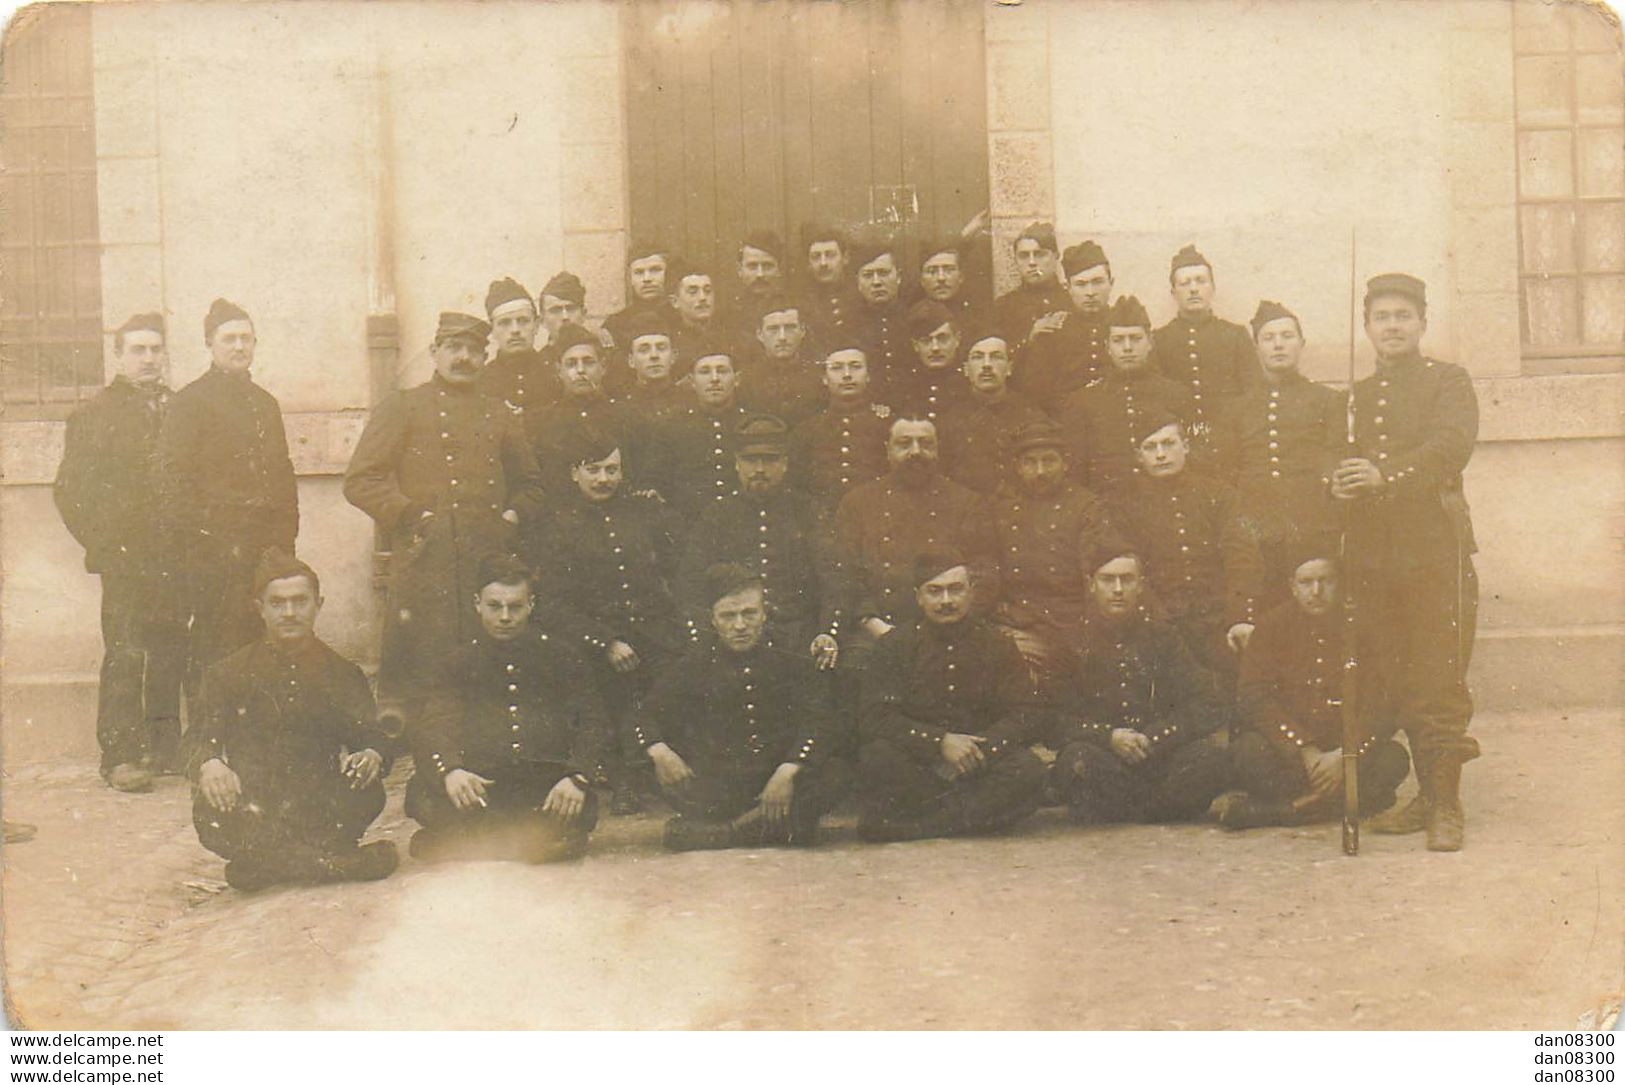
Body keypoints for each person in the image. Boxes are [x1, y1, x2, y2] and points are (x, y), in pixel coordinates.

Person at [1334, 272, 1479, 852]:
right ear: (1367, 327)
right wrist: (1340, 482)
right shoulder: (1356, 398)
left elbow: (1451, 446)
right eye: (1381, 318)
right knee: (1390, 674)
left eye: (1403, 316)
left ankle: (1446, 805)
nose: (1392, 326)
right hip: (1375, 556)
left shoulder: (1450, 381)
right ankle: (1422, 797)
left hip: (1434, 552)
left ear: (1422, 323)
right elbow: (1335, 461)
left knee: (1437, 676)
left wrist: (1384, 476)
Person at [342, 312, 545, 726]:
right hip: (424, 559)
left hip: (485, 559)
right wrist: (413, 515)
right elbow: (361, 479)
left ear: (484, 356)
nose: (463, 358)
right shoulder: (403, 406)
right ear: (435, 352)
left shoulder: (499, 413)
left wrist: (509, 518)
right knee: (419, 663)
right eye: (454, 348)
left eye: (473, 350)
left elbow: (532, 485)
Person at [190, 549, 398, 891]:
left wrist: (372, 755)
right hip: (256, 804)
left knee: (368, 791)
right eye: (277, 603)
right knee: (210, 813)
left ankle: (265, 868)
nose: (289, 612)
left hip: (318, 801)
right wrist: (210, 763)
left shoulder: (343, 674)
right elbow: (197, 738)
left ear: (319, 604)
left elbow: (374, 735)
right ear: (260, 608)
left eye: (300, 601)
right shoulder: (228, 673)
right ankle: (333, 863)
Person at [54, 313, 186, 790]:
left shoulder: (181, 408)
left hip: (176, 554)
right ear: (118, 355)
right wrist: (107, 545)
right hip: (127, 558)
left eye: (155, 349)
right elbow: (70, 492)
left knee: (172, 647)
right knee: (127, 652)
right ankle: (121, 756)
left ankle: (167, 748)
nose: (148, 359)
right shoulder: (95, 414)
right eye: (138, 350)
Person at [406, 555, 609, 863]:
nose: (504, 617)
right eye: (494, 606)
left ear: (531, 605)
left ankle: (467, 844)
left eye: (515, 606)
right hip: (480, 786)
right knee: (424, 797)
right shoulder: (457, 662)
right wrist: (450, 770)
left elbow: (594, 721)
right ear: (477, 603)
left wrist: (578, 777)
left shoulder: (562, 657)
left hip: (540, 785)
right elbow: (435, 722)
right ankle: (531, 843)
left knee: (576, 807)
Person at [634, 565, 849, 850]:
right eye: (728, 616)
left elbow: (821, 719)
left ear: (764, 614)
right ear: (712, 620)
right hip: (720, 783)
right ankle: (767, 827)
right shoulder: (693, 664)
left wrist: (790, 768)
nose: (740, 626)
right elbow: (643, 715)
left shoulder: (791, 657)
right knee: (653, 768)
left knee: (838, 772)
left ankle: (721, 834)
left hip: (778, 777)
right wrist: (659, 750)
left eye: (749, 613)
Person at [531, 431, 685, 813]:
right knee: (608, 688)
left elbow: (675, 573)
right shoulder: (560, 527)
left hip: (653, 631)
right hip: (594, 640)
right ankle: (622, 778)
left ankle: (664, 772)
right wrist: (605, 641)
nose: (603, 480)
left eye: (612, 470)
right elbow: (552, 603)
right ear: (574, 473)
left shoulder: (645, 514)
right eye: (593, 470)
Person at [855, 554, 1048, 842]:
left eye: (956, 589)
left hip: (980, 765)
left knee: (1029, 770)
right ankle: (972, 819)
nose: (946, 600)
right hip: (921, 766)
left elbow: (1026, 713)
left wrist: (976, 752)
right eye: (935, 591)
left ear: (971, 592)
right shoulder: (895, 646)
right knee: (877, 757)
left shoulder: (997, 642)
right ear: (918, 597)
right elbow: (874, 716)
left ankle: (919, 827)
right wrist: (939, 743)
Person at [158, 298, 298, 690]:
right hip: (212, 554)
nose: (239, 347)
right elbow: (173, 482)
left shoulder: (265, 405)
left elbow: (283, 478)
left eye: (246, 339)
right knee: (213, 646)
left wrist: (284, 544)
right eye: (229, 339)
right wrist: (206, 541)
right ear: (210, 344)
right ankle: (208, 744)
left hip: (264, 551)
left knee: (263, 644)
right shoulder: (190, 402)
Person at [1215, 552, 1411, 829]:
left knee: (1394, 759)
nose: (1316, 591)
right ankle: (1343, 804)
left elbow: (1384, 701)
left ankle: (1283, 811)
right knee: (1247, 752)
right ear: (1292, 586)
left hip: (1344, 753)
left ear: (1339, 583)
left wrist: (1345, 754)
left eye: (1326, 581)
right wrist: (1304, 750)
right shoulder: (1272, 626)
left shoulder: (1362, 626)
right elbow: (1252, 696)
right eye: (1306, 582)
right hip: (1291, 756)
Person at [1047, 547, 1231, 824]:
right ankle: (1161, 809)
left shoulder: (1163, 636)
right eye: (1108, 580)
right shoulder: (1070, 641)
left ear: (1141, 586)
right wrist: (1109, 737)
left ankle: (1126, 809)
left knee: (1211, 757)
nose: (1118, 589)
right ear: (1092, 584)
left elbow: (1208, 703)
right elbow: (1052, 718)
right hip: (1103, 757)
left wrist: (1155, 737)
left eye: (1127, 579)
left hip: (1157, 756)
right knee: (1077, 762)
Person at [1111, 411, 1264, 689]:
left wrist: (1240, 617)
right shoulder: (1124, 505)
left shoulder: (1220, 495)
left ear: (1186, 447)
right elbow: (1128, 569)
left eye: (1168, 444)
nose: (1160, 454)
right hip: (1157, 626)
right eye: (1150, 447)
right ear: (1139, 456)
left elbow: (1242, 558)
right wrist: (1155, 622)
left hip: (1217, 622)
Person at [677, 415, 842, 666]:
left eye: (770, 460)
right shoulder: (718, 514)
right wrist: (705, 637)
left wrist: (827, 631)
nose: (760, 469)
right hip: (734, 639)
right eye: (751, 460)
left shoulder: (806, 511)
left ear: (785, 464)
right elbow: (691, 582)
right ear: (737, 464)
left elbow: (834, 578)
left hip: (798, 638)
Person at [1212, 300, 1344, 603]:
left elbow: (1334, 457)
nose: (1278, 345)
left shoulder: (1327, 401)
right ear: (1257, 347)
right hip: (1255, 529)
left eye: (1287, 336)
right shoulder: (1237, 409)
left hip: (1311, 526)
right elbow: (1225, 472)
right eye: (1269, 338)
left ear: (1302, 343)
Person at [831, 416, 994, 659]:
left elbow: (985, 572)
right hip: (879, 630)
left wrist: (954, 624)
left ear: (937, 451)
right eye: (904, 443)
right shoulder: (857, 503)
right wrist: (876, 626)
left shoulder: (967, 503)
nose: (915, 452)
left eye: (925, 444)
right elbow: (844, 574)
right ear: (888, 450)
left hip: (950, 629)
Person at [990, 418, 1122, 682]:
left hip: (1071, 627)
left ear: (1065, 463)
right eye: (1030, 462)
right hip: (1016, 625)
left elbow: (1093, 578)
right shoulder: (1000, 509)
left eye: (1048, 460)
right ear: (1017, 467)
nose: (1040, 471)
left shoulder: (1087, 508)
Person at [1056, 295, 1195, 495]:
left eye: (1136, 338)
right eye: (1118, 340)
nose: (1128, 347)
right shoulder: (1083, 401)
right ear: (1107, 347)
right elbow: (1077, 471)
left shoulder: (1177, 394)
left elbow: (1196, 457)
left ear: (1150, 342)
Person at [1149, 244, 1257, 435]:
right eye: (1185, 283)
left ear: (1213, 288)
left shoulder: (1235, 335)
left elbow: (1252, 394)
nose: (1193, 289)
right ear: (1173, 293)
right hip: (1180, 439)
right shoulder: (1159, 339)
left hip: (1230, 437)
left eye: (1201, 281)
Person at [788, 345, 893, 521]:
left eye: (855, 366)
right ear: (824, 378)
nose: (847, 375)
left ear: (868, 376)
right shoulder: (807, 430)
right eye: (837, 368)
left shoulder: (887, 426)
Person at [938, 327, 1047, 496]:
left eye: (996, 357)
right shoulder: (949, 421)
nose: (987, 365)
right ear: (966, 369)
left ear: (1009, 368)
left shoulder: (1031, 415)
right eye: (978, 357)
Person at [646, 348, 751, 521]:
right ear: (691, 381)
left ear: (737, 379)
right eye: (704, 372)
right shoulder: (671, 427)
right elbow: (657, 481)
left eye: (722, 371)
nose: (714, 379)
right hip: (689, 524)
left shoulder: (751, 424)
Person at [1011, 239, 1114, 403]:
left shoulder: (1125, 328)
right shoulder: (1053, 331)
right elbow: (1037, 395)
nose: (1090, 292)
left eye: (1097, 282)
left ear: (1111, 283)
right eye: (1081, 284)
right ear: (1068, 289)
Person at [529, 323, 626, 496]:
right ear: (559, 371)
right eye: (571, 364)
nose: (580, 370)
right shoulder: (541, 421)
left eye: (588, 362)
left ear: (603, 367)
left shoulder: (625, 417)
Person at [478, 276, 555, 439]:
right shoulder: (481, 380)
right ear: (492, 330)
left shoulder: (555, 372)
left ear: (536, 325)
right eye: (504, 323)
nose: (515, 330)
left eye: (523, 321)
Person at [738, 294, 825, 428]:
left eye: (790, 328)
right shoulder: (746, 380)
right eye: (773, 329)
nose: (782, 337)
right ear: (759, 335)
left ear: (802, 331)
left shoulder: (819, 377)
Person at [848, 236, 908, 399]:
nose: (876, 282)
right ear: (858, 283)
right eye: (868, 275)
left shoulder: (913, 317)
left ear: (899, 277)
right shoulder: (848, 325)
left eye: (883, 273)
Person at [992, 221, 1069, 347]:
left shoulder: (1071, 300)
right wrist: (1029, 337)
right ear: (1015, 261)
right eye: (1024, 256)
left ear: (1056, 256)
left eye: (1040, 254)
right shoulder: (1004, 307)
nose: (1032, 262)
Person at [891, 299, 968, 423]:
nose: (935, 348)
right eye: (926, 340)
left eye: (943, 339)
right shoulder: (902, 387)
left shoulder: (969, 383)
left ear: (957, 339)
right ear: (915, 345)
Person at [602, 239, 671, 359]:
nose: (647, 278)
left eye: (655, 270)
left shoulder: (682, 317)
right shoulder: (615, 324)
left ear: (668, 273)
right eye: (639, 272)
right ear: (630, 279)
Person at [796, 223, 855, 349]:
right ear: (808, 263)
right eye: (816, 257)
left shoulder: (859, 297)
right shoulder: (799, 302)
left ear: (845, 258)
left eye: (830, 255)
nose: (823, 263)